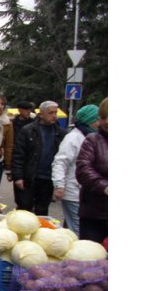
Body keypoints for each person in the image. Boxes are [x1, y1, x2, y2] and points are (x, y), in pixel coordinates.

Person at [12, 100, 67, 215]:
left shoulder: (60, 133)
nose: (54, 116)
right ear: (41, 114)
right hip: (30, 177)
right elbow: (18, 155)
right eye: (50, 113)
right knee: (25, 210)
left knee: (42, 211)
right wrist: (18, 176)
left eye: (55, 113)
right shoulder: (28, 131)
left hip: (47, 179)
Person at [51, 104, 99, 236]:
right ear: (90, 120)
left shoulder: (93, 136)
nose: (99, 122)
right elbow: (60, 162)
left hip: (86, 192)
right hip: (73, 191)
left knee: (74, 227)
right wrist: (59, 185)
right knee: (78, 229)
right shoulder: (73, 138)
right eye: (97, 119)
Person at [76, 98, 108, 243]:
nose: (107, 121)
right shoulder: (92, 140)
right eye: (104, 117)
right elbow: (83, 169)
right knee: (91, 259)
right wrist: (104, 187)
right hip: (95, 214)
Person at [0, 93, 14, 186]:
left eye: (2, 104)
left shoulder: (7, 123)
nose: (0, 106)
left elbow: (9, 146)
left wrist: (8, 166)